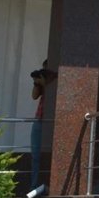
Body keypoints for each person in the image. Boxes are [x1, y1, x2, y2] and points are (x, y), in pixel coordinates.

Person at [30, 60, 55, 190]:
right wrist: (37, 82)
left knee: (50, 155)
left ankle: (49, 186)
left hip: (51, 120)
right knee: (35, 154)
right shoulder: (42, 82)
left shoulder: (56, 79)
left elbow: (53, 91)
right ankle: (34, 186)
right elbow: (34, 96)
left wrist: (45, 83)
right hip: (39, 119)